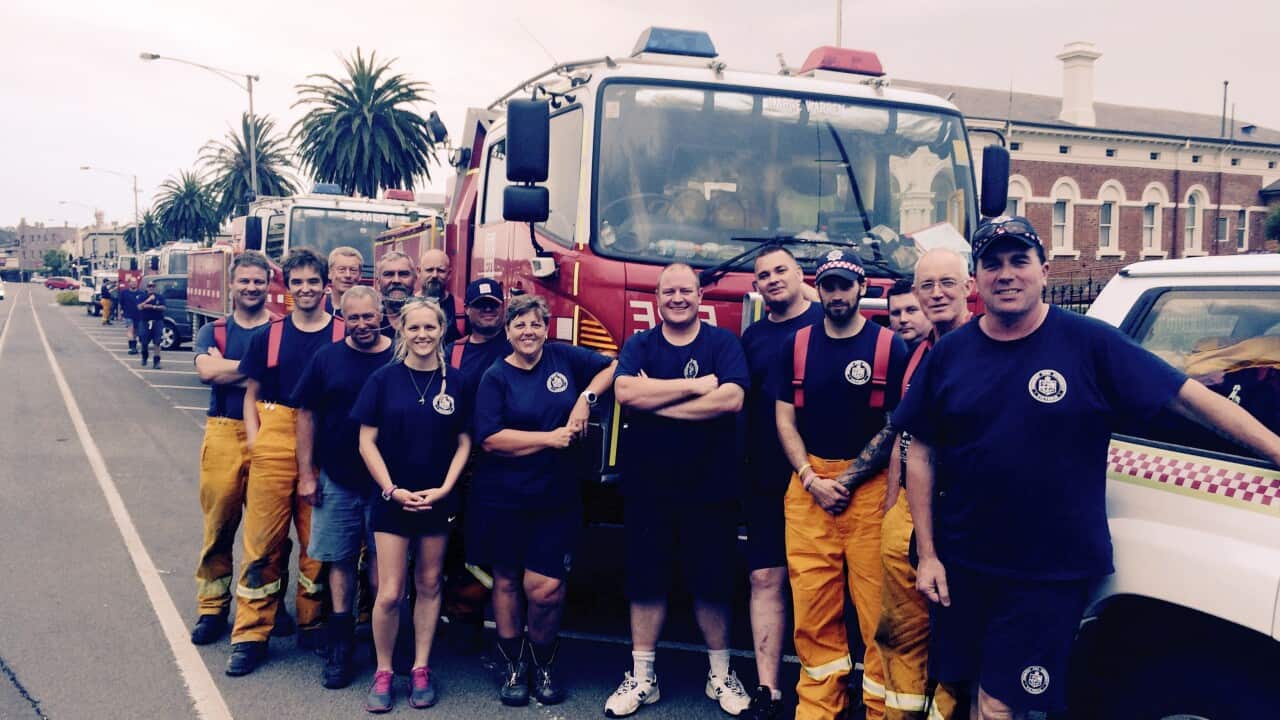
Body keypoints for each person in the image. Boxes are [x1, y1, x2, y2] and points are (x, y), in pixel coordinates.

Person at [894, 217, 1280, 719]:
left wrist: (1274, 448)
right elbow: (920, 450)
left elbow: (1187, 399)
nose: (1006, 274)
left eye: (1019, 261)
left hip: (1047, 571)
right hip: (965, 562)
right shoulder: (949, 355)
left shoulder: (1091, 344)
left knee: (998, 705)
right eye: (994, 264)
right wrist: (928, 554)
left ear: (1045, 271)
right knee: (970, 691)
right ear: (979, 278)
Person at [608, 264, 752, 718]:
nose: (677, 298)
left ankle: (720, 675)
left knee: (712, 584)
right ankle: (642, 677)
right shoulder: (641, 344)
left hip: (710, 488)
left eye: (685, 290)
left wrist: (659, 402)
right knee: (645, 582)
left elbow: (731, 399)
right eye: (668, 290)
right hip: (649, 487)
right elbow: (626, 391)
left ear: (699, 296)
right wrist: (691, 388)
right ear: (657, 297)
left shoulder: (722, 343)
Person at [774, 249, 909, 720]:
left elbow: (895, 425)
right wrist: (812, 479)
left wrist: (847, 480)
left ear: (862, 289)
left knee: (876, 613)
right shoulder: (796, 345)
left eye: (844, 286)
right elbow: (784, 419)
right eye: (828, 285)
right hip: (808, 489)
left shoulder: (890, 347)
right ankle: (818, 709)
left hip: (868, 493)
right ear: (819, 288)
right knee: (812, 612)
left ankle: (877, 709)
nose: (836, 294)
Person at [468, 294, 616, 708]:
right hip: (502, 497)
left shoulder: (563, 358)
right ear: (508, 332)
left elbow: (613, 364)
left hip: (556, 496)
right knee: (507, 581)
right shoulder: (496, 376)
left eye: (535, 324)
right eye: (519, 325)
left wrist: (585, 400)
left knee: (546, 588)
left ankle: (544, 661)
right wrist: (549, 439)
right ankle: (515, 665)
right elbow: (491, 438)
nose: (528, 332)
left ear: (546, 327)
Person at [226, 247, 345, 677]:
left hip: (326, 443)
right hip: (274, 437)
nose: (306, 288)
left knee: (318, 546)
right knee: (261, 543)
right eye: (298, 282)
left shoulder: (342, 334)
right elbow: (251, 395)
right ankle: (250, 635)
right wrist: (257, 443)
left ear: (326, 285)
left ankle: (312, 623)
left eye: (314, 281)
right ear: (288, 286)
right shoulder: (270, 336)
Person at [352, 298, 476, 712]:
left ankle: (421, 668)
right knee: (389, 592)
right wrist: (390, 488)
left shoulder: (456, 382)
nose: (422, 335)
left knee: (429, 584)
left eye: (430, 327)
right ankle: (385, 671)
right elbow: (366, 440)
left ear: (442, 330)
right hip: (393, 500)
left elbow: (464, 441)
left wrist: (444, 488)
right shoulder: (384, 380)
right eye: (414, 328)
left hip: (437, 501)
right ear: (402, 331)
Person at [877, 248, 972, 720]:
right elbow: (904, 439)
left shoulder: (986, 346)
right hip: (911, 517)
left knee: (956, 640)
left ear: (969, 286)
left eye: (947, 283)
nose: (936, 294)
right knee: (902, 632)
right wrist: (893, 512)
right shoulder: (918, 355)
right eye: (926, 285)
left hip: (962, 517)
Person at [291, 285, 394, 689]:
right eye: (354, 317)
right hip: (338, 478)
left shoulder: (400, 355)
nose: (362, 324)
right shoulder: (327, 358)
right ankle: (340, 645)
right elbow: (306, 415)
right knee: (340, 561)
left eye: (369, 316)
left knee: (384, 569)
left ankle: (383, 646)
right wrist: (306, 474)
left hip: (389, 482)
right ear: (341, 316)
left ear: (381, 312)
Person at [738, 246, 824, 719]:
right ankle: (768, 691)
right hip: (765, 478)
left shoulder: (827, 324)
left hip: (824, 479)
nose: (772, 280)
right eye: (763, 275)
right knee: (764, 577)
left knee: (822, 585)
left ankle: (823, 691)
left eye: (781, 270)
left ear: (800, 275)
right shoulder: (752, 338)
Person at [190, 252, 279, 647]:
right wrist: (259, 370)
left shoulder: (280, 329)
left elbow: (284, 376)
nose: (251, 287)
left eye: (258, 281)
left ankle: (268, 606)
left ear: (268, 284)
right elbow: (207, 372)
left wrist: (232, 369)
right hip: (224, 432)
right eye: (244, 281)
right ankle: (212, 609)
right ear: (232, 284)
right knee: (219, 525)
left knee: (269, 533)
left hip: (271, 431)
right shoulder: (215, 330)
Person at [441, 277, 512, 645]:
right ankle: (457, 619)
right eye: (479, 305)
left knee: (487, 545)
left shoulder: (517, 344)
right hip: (458, 460)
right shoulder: (450, 351)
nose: (487, 311)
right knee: (452, 544)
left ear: (503, 307)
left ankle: (477, 617)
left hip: (500, 461)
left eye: (493, 304)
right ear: (466, 311)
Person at [418, 248, 462, 343]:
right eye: (429, 270)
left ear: (449, 274)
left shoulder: (460, 309)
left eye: (440, 270)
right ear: (419, 272)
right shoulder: (407, 307)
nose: (434, 275)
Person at [376, 251, 417, 338]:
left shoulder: (429, 316)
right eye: (389, 274)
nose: (396, 280)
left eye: (403, 274)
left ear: (415, 280)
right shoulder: (370, 318)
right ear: (378, 282)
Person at [886, 279, 932, 352]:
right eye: (896, 313)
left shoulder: (947, 348)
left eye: (911, 310)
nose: (903, 319)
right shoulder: (879, 348)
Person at [325, 246, 364, 318]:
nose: (348, 275)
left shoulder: (369, 307)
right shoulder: (317, 306)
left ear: (360, 275)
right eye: (341, 269)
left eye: (353, 270)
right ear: (329, 273)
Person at [137, 279, 166, 368]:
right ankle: (144, 357)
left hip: (157, 321)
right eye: (150, 286)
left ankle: (156, 362)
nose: (151, 288)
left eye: (153, 286)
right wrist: (147, 302)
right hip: (145, 321)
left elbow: (163, 307)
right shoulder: (142, 296)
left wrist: (153, 307)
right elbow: (139, 307)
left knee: (157, 342)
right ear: (147, 288)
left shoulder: (160, 297)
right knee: (144, 341)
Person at [120, 277, 141, 354]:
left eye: (135, 282)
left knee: (135, 332)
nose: (134, 283)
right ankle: (132, 348)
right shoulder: (124, 292)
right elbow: (120, 304)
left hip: (138, 315)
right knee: (130, 330)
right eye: (132, 282)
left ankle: (133, 346)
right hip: (128, 315)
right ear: (129, 283)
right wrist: (119, 314)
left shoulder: (140, 293)